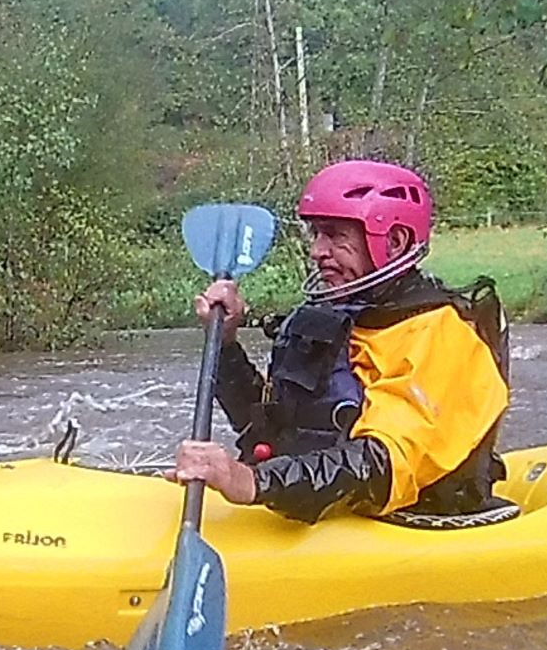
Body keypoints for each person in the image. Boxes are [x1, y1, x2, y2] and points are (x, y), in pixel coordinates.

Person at [170, 159, 514, 525]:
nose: (317, 250)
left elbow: (378, 465)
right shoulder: (335, 319)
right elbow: (268, 428)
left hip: (417, 523)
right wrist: (224, 346)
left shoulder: (440, 335)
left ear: (394, 242)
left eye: (335, 235)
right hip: (327, 510)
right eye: (316, 233)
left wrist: (253, 481)